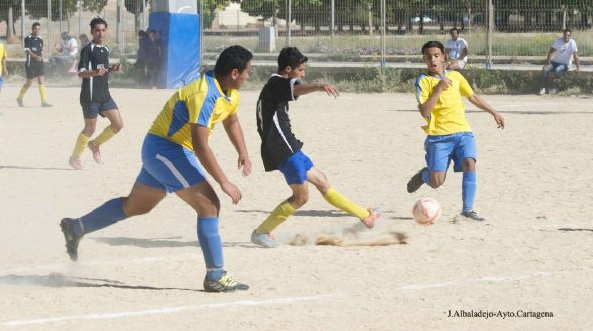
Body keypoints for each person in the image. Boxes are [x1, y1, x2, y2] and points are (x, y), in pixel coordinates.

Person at [60, 45, 253, 292]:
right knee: (209, 204)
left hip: (163, 150)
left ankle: (76, 227)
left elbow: (231, 119)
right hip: (167, 150)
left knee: (135, 206)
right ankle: (215, 275)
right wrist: (224, 182)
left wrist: (243, 152)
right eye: (247, 72)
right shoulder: (204, 94)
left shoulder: (229, 92)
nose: (249, 76)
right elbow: (201, 145)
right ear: (235, 73)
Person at [250, 47, 380, 248]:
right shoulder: (276, 82)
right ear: (288, 69)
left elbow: (293, 90)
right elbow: (295, 89)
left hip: (288, 144)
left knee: (322, 181)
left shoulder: (275, 84)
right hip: (282, 148)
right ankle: (261, 232)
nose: (303, 74)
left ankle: (365, 216)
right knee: (301, 197)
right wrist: (319, 86)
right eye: (300, 70)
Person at [406, 40, 505, 221]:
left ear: (444, 56)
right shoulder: (423, 81)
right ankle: (424, 175)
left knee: (470, 162)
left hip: (462, 133)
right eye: (428, 57)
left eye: (436, 56)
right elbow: (424, 111)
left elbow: (472, 97)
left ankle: (467, 210)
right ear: (424, 60)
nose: (433, 60)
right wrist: (438, 89)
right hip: (438, 138)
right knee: (437, 182)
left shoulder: (456, 77)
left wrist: (493, 112)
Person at [68, 18, 123, 170]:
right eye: (97, 30)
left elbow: (102, 71)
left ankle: (94, 144)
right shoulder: (88, 49)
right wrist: (95, 72)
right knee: (89, 129)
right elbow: (81, 73)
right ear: (92, 32)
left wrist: (112, 69)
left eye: (103, 30)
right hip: (90, 96)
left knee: (118, 125)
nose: (100, 33)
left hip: (104, 95)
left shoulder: (104, 49)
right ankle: (74, 158)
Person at [16, 22, 52, 107]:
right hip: (30, 63)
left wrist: (40, 58)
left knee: (41, 81)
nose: (37, 30)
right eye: (35, 28)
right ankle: (19, 98)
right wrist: (35, 56)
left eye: (38, 29)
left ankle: (43, 101)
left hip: (39, 63)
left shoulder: (40, 39)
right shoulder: (28, 38)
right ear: (32, 29)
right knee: (29, 83)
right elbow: (27, 50)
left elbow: (40, 50)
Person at [539, 28, 580, 95]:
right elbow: (551, 51)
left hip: (565, 64)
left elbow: (575, 56)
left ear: (570, 36)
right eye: (565, 35)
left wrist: (578, 68)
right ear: (563, 35)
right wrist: (548, 62)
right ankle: (543, 88)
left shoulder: (572, 43)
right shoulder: (558, 41)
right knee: (545, 69)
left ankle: (556, 88)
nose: (566, 36)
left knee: (558, 70)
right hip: (555, 62)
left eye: (568, 35)